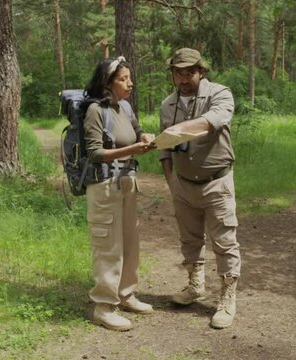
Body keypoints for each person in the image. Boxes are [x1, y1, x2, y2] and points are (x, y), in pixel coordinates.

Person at [158, 48, 241, 329]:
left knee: (224, 241)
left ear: (201, 71)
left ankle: (227, 296)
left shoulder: (219, 94)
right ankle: (195, 285)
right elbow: (165, 150)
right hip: (183, 184)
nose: (183, 79)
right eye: (178, 73)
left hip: (216, 181)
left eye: (189, 72)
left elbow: (211, 121)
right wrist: (171, 179)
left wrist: (174, 132)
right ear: (172, 74)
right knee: (189, 239)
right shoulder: (167, 105)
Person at [83, 56, 155, 331]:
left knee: (129, 243)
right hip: (104, 186)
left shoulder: (125, 106)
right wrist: (132, 151)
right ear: (108, 82)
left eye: (129, 78)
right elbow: (95, 153)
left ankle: (126, 295)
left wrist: (145, 138)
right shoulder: (95, 110)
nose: (130, 83)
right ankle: (104, 306)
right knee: (108, 246)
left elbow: (137, 134)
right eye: (123, 79)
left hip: (127, 183)